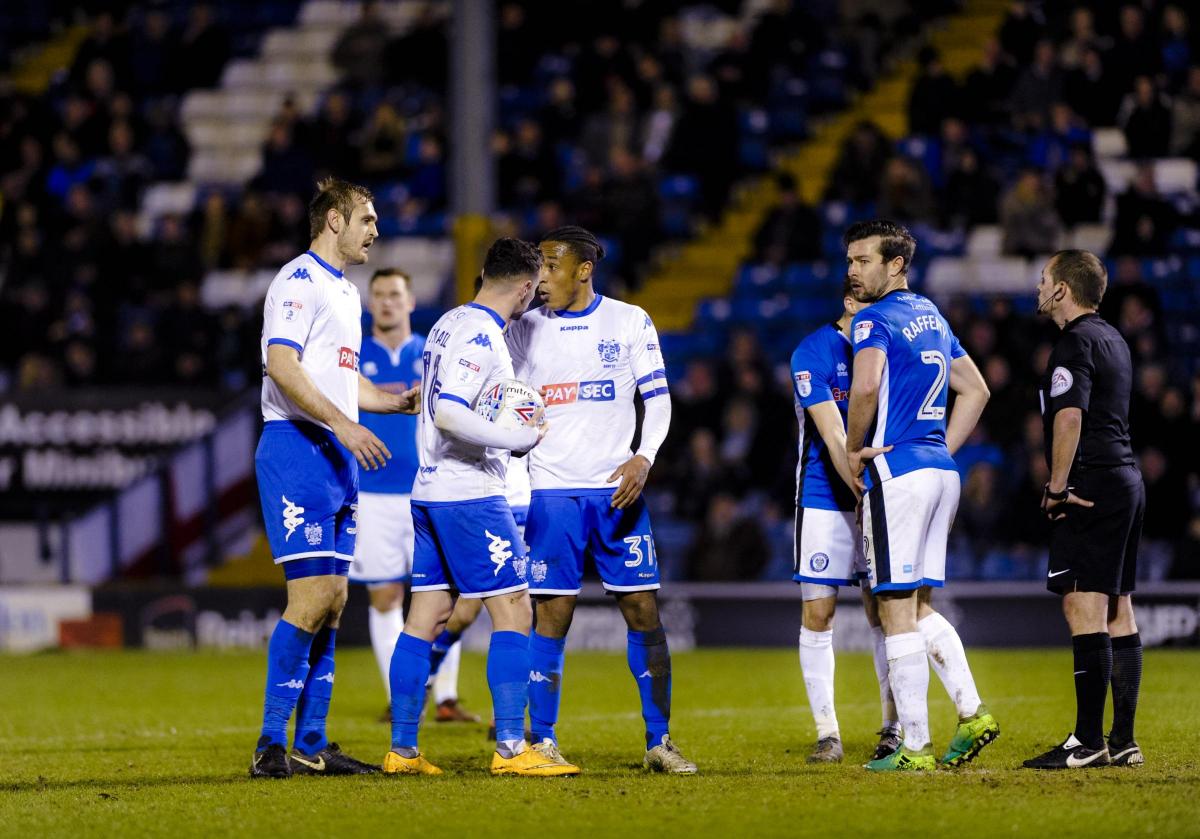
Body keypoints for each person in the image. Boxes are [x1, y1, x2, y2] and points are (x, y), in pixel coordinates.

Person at [383, 238, 577, 777]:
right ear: (520, 286)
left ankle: (402, 750)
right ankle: (514, 749)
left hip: (428, 489)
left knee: (426, 615)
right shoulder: (482, 336)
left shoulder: (447, 322)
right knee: (515, 608)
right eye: (531, 290)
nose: (531, 299)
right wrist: (511, 437)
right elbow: (447, 412)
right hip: (467, 491)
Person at [506, 225, 697, 774]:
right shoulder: (524, 329)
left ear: (583, 269)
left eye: (550, 266)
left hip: (617, 490)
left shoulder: (629, 321)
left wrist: (645, 456)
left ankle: (659, 742)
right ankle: (541, 742)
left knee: (642, 610)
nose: (540, 278)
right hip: (550, 493)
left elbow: (657, 400)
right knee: (553, 615)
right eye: (537, 267)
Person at [251, 178, 420, 779]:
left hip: (333, 454)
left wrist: (398, 402)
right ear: (333, 223)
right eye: (367, 219)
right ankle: (271, 742)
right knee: (313, 597)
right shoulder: (298, 281)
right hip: (299, 448)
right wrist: (343, 425)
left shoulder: (346, 294)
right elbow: (281, 365)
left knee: (337, 599)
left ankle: (313, 741)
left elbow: (348, 384)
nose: (376, 229)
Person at [843, 220, 998, 772]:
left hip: (899, 475)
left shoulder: (873, 320)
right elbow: (977, 389)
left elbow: (864, 388)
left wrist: (853, 449)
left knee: (893, 608)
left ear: (896, 265)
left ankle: (914, 747)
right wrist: (940, 448)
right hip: (938, 472)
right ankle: (973, 712)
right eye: (851, 260)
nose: (852, 271)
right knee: (920, 604)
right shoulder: (931, 315)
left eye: (864, 261)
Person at [1023, 251, 1145, 770]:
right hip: (1125, 478)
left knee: (1082, 606)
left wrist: (1055, 487)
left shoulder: (1073, 342)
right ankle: (1121, 741)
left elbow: (1068, 419)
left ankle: (1088, 741)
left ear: (1063, 291)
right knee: (1119, 608)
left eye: (1045, 279)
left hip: (1090, 485)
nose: (1039, 286)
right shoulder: (1113, 338)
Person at [351, 268, 477, 723]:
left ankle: (445, 697)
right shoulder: (353, 354)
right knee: (384, 596)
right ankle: (400, 696)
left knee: (447, 593)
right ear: (370, 303)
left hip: (428, 486)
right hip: (372, 492)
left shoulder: (431, 351)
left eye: (395, 295)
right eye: (379, 294)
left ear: (410, 301)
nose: (386, 302)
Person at [790, 278, 898, 764]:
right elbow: (835, 435)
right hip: (823, 496)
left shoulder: (888, 346)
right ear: (850, 302)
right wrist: (858, 485)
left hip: (883, 492)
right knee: (819, 613)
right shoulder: (813, 351)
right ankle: (827, 732)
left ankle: (892, 726)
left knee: (884, 611)